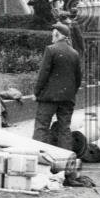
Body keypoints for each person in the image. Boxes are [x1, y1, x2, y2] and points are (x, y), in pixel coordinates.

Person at [32, 22, 82, 150]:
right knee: (64, 128)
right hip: (67, 98)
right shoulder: (74, 53)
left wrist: (36, 92)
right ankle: (66, 158)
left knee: (41, 126)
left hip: (49, 97)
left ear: (57, 34)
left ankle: (38, 156)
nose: (51, 37)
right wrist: (70, 93)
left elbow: (43, 75)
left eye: (52, 34)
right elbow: (78, 78)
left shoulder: (51, 50)